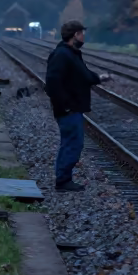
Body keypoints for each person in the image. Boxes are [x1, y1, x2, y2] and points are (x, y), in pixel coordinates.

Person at [44, 20, 110, 192]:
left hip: (71, 108)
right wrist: (64, 105)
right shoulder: (62, 55)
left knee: (69, 143)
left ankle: (63, 178)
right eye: (82, 33)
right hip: (68, 109)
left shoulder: (71, 54)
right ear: (75, 35)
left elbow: (83, 75)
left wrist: (99, 78)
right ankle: (63, 180)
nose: (83, 36)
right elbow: (52, 83)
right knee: (73, 143)